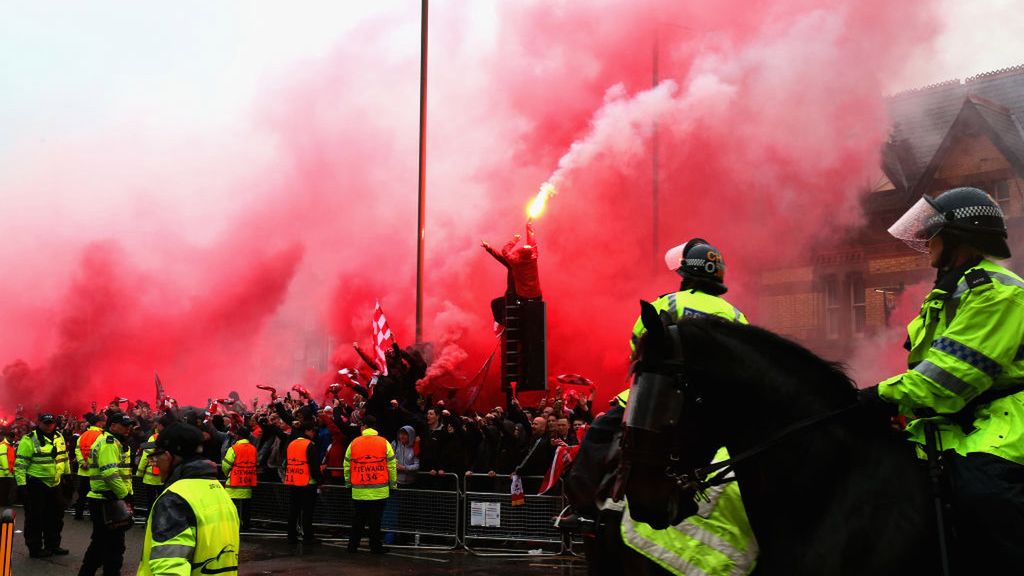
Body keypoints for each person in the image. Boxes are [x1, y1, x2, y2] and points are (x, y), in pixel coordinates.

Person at [869, 187, 1024, 570]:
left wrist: (880, 397)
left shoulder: (996, 294)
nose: (927, 242)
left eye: (933, 233)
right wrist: (896, 406)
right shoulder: (945, 294)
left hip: (1006, 417)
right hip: (955, 418)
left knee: (982, 493)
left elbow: (951, 379)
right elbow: (924, 372)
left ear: (959, 237)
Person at [621, 238, 757, 576]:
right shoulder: (737, 315)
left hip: (668, 404)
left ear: (684, 275)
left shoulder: (668, 304)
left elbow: (639, 347)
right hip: (720, 414)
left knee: (605, 431)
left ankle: (583, 509)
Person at [138, 422, 239, 575]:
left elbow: (170, 569)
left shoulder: (174, 499)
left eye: (156, 456)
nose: (155, 463)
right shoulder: (219, 491)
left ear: (168, 456)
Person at [78, 411, 135, 576]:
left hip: (106, 498)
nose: (128, 429)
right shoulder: (109, 443)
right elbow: (110, 473)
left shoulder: (114, 442)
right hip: (107, 500)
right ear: (112, 426)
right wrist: (125, 494)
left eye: (129, 425)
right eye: (124, 425)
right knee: (112, 545)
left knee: (102, 543)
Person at [14, 412, 71, 558]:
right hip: (37, 484)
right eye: (46, 423)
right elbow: (20, 465)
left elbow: (64, 457)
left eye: (51, 423)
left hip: (55, 483)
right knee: (35, 518)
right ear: (39, 423)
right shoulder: (29, 440)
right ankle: (35, 548)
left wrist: (67, 475)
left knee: (55, 517)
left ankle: (53, 545)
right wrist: (22, 486)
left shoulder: (59, 437)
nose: (49, 426)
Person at [344, 415, 397, 554]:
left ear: (364, 426)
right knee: (375, 522)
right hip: (379, 491)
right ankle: (375, 547)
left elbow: (347, 465)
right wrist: (393, 485)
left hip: (358, 491)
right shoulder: (384, 443)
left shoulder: (354, 443)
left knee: (358, 521)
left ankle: (352, 546)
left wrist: (348, 484)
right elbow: (391, 466)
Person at [283, 421, 321, 544]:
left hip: (293, 481)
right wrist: (321, 480)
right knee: (307, 512)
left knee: (293, 510)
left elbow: (286, 463)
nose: (314, 433)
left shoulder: (292, 444)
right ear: (308, 431)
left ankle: (291, 535)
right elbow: (314, 468)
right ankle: (307, 536)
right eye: (313, 431)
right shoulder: (310, 445)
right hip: (307, 483)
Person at [222, 426, 257, 532]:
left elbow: (225, 465)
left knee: (232, 509)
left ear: (238, 436)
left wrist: (227, 474)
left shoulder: (234, 448)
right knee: (246, 510)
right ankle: (245, 527)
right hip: (247, 485)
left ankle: (233, 527)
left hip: (233, 486)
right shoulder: (253, 448)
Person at [74, 412, 106, 520]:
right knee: (94, 495)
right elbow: (97, 451)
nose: (104, 424)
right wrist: (90, 463)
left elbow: (77, 450)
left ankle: (78, 514)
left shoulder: (83, 435)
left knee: (81, 495)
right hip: (94, 472)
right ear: (98, 423)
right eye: (102, 422)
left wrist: (82, 462)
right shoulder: (101, 436)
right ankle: (94, 516)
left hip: (82, 470)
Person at [0, 427, 14, 507]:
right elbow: (3, 458)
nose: (12, 439)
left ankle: (4, 503)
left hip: (8, 472)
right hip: (4, 473)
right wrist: (6, 470)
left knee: (5, 490)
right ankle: (2, 503)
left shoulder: (9, 446)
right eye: (11, 438)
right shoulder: (3, 445)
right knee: (3, 490)